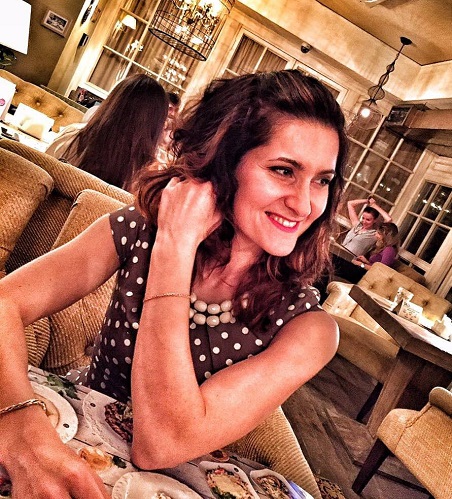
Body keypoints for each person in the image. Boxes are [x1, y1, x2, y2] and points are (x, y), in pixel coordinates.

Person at [0, 69, 348, 498]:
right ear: (223, 164)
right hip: (73, 440)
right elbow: (4, 304)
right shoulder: (138, 228)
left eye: (323, 180)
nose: (305, 203)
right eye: (283, 170)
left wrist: (176, 246)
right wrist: (19, 421)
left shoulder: (310, 329)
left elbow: (161, 444)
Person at [45, 74, 169, 191]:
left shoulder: (74, 135)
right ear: (156, 124)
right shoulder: (146, 176)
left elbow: (40, 172)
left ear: (113, 103)